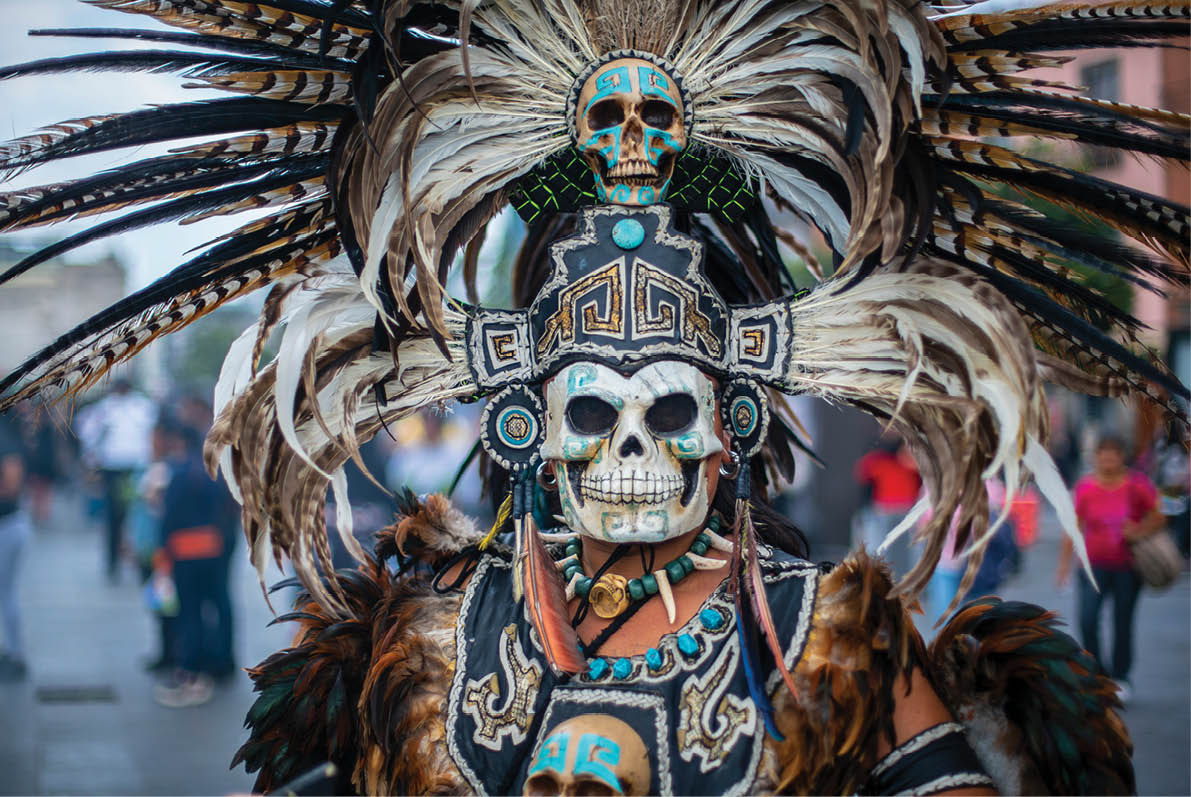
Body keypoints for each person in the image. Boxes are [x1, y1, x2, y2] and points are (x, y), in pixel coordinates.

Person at [2, 0, 1185, 793]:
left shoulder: (831, 637)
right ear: (526, 420)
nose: (629, 447)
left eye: (668, 408)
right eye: (592, 408)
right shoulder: (420, 639)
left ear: (731, 423)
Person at [1058, 436, 1165, 701]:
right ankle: (1096, 674)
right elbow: (1073, 527)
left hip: (1127, 567)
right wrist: (1063, 566)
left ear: (1121, 457)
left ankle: (1121, 676)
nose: (1107, 459)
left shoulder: (1137, 485)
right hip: (1092, 567)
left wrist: (1139, 530)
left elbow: (1159, 515)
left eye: (1113, 454)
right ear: (1095, 457)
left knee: (1122, 622)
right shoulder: (1085, 487)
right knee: (1087, 619)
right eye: (1103, 454)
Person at [151, 417, 238, 708]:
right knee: (216, 606)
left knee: (189, 615)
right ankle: (217, 664)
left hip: (185, 553)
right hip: (212, 550)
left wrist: (163, 555)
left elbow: (168, 520)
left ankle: (191, 675)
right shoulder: (214, 472)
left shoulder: (177, 473)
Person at [75, 379, 156, 583]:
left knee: (139, 517)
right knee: (114, 518)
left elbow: (152, 435)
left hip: (136, 467)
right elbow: (87, 433)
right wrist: (92, 461)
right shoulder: (104, 408)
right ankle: (113, 563)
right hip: (113, 468)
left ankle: (141, 564)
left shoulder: (142, 406)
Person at [0, 413, 29, 681]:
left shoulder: (4, 436)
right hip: (9, 524)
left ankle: (15, 654)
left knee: (6, 593)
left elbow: (11, 484)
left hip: (6, 525)